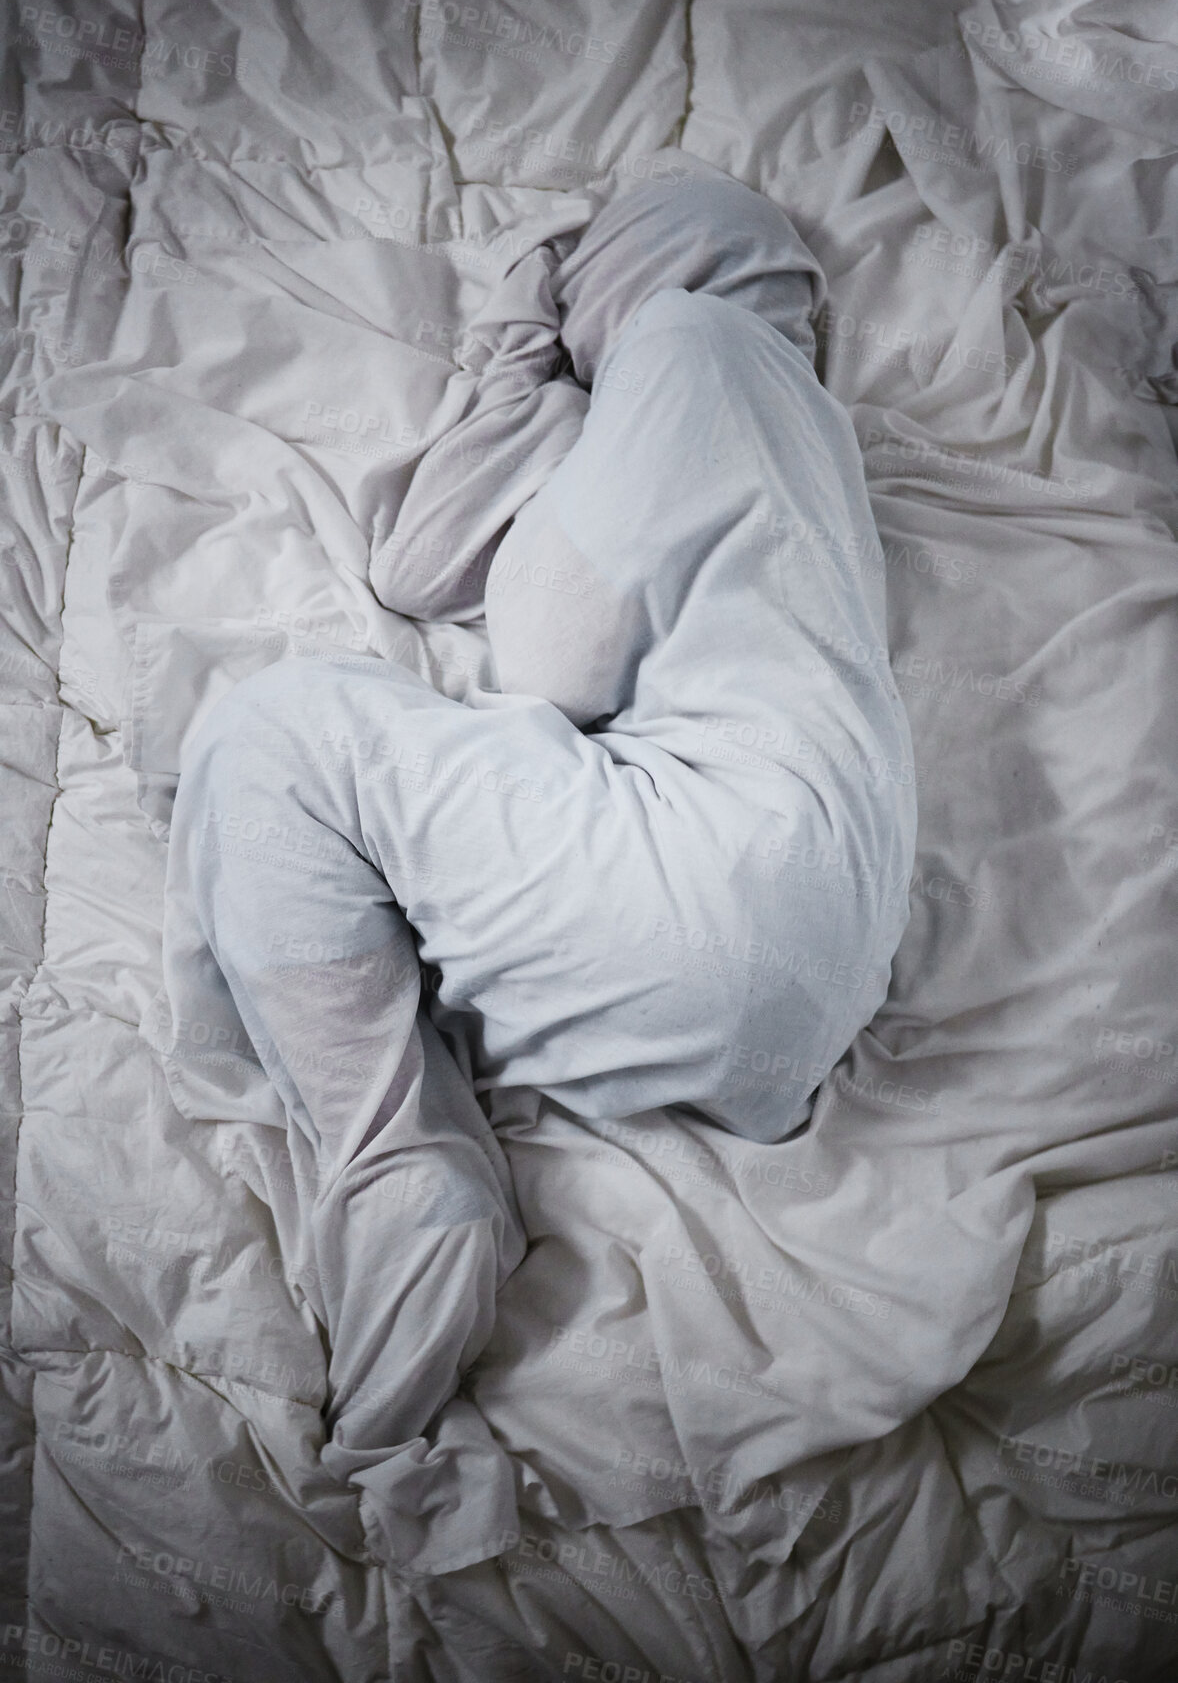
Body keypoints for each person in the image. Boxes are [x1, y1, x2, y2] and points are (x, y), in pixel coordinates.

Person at [151, 159, 918, 1570]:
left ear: (633, 278)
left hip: (701, 892)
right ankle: (441, 1126)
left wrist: (521, 346)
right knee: (336, 759)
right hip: (819, 974)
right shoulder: (800, 432)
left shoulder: (685, 352)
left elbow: (480, 603)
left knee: (279, 729)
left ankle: (396, 1164)